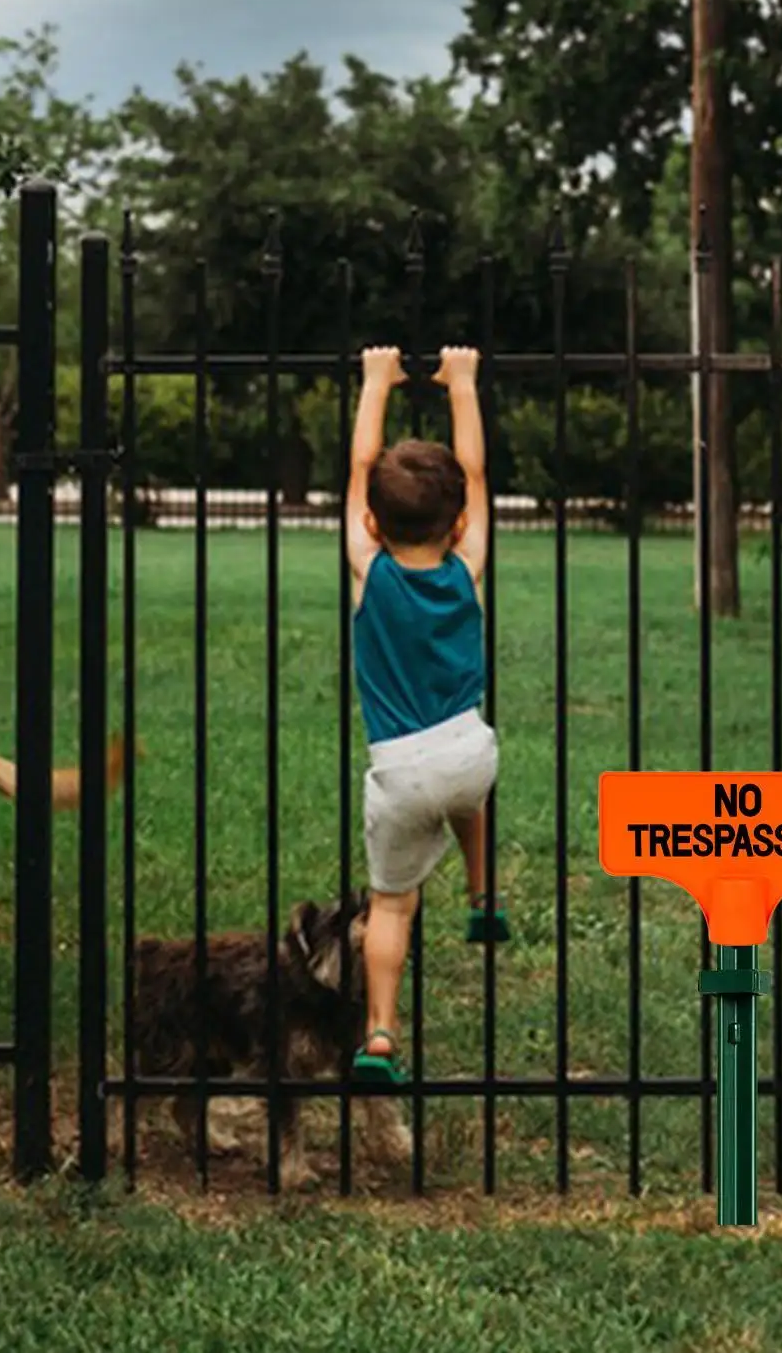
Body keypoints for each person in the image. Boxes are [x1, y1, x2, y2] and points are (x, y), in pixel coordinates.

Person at [345, 343, 506, 1087]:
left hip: (401, 770)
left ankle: (379, 1031)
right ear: (460, 519)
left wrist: (375, 381)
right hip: (470, 749)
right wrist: (462, 384)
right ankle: (484, 893)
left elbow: (356, 473)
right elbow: (473, 474)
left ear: (373, 521)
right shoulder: (464, 565)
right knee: (467, 793)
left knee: (391, 904)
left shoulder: (367, 569)